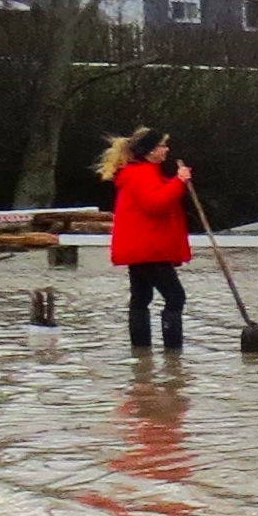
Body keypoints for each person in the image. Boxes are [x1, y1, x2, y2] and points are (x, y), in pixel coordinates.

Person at [99, 125, 195, 355]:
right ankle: (173, 353)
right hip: (149, 249)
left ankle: (141, 354)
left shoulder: (140, 173)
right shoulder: (141, 174)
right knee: (175, 297)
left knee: (141, 299)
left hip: (140, 249)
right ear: (151, 151)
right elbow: (156, 204)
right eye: (162, 145)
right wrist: (179, 182)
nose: (166, 149)